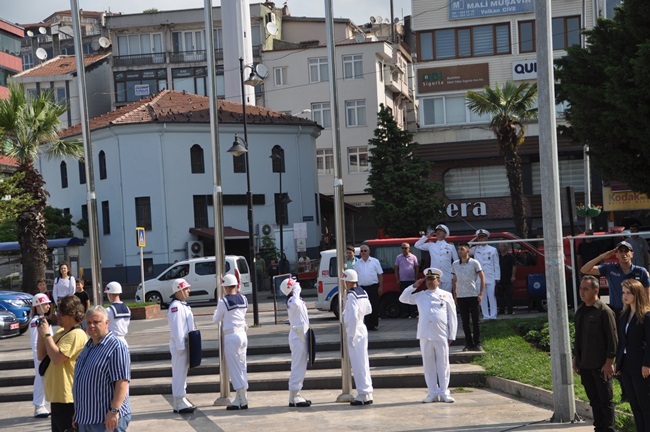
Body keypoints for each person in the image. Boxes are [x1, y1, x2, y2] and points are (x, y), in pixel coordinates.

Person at [400, 268, 458, 403]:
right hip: (425, 334)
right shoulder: (420, 295)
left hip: (441, 333)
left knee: (443, 364)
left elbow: (452, 316)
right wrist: (414, 286)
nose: (430, 282)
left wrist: (452, 334)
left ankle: (444, 392)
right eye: (428, 280)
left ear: (439, 281)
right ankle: (432, 392)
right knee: (428, 364)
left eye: (433, 279)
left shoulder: (446, 295)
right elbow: (402, 298)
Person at [73, 306, 131, 432]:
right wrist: (78, 413)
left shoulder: (116, 347)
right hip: (86, 418)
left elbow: (122, 382)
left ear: (107, 323)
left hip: (106, 420)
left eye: (96, 322)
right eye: (89, 322)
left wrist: (114, 411)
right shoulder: (88, 346)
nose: (91, 326)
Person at [573, 275, 618, 432]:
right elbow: (578, 338)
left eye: (586, 289)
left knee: (605, 400)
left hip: (601, 365)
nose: (582, 292)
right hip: (585, 364)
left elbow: (612, 338)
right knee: (594, 400)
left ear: (596, 290)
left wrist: (609, 361)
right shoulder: (581, 311)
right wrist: (576, 359)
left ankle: (609, 429)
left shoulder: (604, 311)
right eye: (581, 288)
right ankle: (599, 428)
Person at [36, 295, 87, 432]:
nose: (56, 315)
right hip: (57, 395)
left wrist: (47, 335)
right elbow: (41, 355)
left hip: (68, 397)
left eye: (60, 313)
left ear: (71, 314)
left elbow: (57, 358)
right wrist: (41, 332)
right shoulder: (60, 332)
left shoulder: (77, 334)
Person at [581, 241, 650, 317]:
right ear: (616, 254)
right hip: (616, 312)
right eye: (620, 251)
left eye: (626, 251)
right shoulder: (610, 268)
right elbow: (584, 270)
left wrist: (647, 313)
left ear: (632, 254)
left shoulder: (641, 271)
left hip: (635, 311)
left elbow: (647, 295)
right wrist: (602, 257)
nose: (623, 254)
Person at [616, 279, 650, 432]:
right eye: (623, 292)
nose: (625, 296)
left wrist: (647, 364)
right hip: (626, 365)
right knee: (634, 404)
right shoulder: (624, 315)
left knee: (645, 404)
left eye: (628, 293)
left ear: (637, 294)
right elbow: (621, 342)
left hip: (641, 365)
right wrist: (618, 363)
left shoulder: (646, 315)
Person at [213, 274, 249, 410]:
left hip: (231, 335)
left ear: (226, 287)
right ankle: (242, 397)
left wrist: (217, 311)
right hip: (243, 334)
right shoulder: (244, 298)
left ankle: (240, 398)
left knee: (234, 367)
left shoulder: (223, 302)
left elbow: (216, 319)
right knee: (242, 366)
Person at [341, 269, 374, 406]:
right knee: (363, 361)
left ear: (348, 281)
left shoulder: (351, 295)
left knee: (358, 363)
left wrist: (351, 334)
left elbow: (353, 316)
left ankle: (362, 394)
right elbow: (369, 309)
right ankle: (367, 392)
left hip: (354, 329)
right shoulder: (363, 292)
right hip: (362, 327)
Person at [280, 277, 312, 407]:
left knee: (301, 365)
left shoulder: (296, 299)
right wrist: (296, 291)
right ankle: (294, 394)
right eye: (295, 285)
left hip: (302, 334)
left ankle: (295, 395)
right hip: (298, 335)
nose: (298, 285)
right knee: (298, 365)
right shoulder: (292, 300)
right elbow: (296, 304)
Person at [167, 278, 197, 414]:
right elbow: (177, 328)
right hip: (180, 345)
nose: (188, 290)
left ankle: (181, 398)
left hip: (185, 343)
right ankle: (179, 400)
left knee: (182, 373)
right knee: (179, 373)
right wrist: (180, 346)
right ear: (178, 290)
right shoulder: (176, 307)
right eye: (186, 289)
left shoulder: (183, 305)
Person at [452, 243, 485, 352]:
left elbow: (482, 277)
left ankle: (477, 343)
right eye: (458, 249)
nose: (459, 251)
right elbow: (454, 280)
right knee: (465, 321)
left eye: (462, 249)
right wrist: (455, 295)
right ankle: (468, 343)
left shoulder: (474, 262)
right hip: (461, 296)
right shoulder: (455, 264)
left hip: (473, 294)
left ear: (468, 250)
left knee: (476, 320)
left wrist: (481, 293)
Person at [414, 224, 459, 293]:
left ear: (445, 234)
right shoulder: (431, 245)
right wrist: (427, 237)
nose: (438, 232)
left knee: (446, 295)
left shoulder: (450, 246)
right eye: (437, 231)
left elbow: (456, 261)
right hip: (434, 275)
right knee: (435, 295)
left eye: (440, 231)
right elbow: (417, 245)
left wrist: (455, 274)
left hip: (447, 275)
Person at [30, 293, 53, 419]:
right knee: (40, 379)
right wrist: (40, 356)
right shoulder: (36, 321)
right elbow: (35, 341)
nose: (48, 306)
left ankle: (42, 404)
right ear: (38, 305)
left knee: (44, 379)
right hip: (42, 355)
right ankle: (39, 405)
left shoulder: (43, 319)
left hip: (46, 354)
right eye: (45, 304)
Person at [471, 229, 500, 320]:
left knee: (491, 296)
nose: (481, 239)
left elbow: (496, 264)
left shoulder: (493, 249)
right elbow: (466, 247)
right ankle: (486, 315)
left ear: (487, 238)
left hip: (490, 275)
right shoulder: (475, 249)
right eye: (480, 238)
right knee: (482, 296)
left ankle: (493, 315)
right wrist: (474, 239)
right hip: (479, 277)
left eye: (483, 237)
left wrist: (497, 277)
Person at [354, 245, 383, 331]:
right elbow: (355, 276)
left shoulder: (375, 261)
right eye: (361, 251)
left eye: (365, 251)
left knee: (374, 305)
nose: (363, 252)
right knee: (364, 306)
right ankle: (367, 324)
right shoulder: (357, 263)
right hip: (362, 288)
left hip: (373, 287)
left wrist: (380, 287)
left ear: (369, 252)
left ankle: (374, 324)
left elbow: (380, 274)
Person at [395, 242, 419, 318]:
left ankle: (413, 313)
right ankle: (405, 313)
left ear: (409, 248)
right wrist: (397, 279)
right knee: (403, 296)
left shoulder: (413, 257)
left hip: (412, 280)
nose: (404, 249)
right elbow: (396, 268)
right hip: (402, 281)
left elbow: (416, 268)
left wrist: (416, 278)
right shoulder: (398, 257)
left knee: (412, 296)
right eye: (402, 248)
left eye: (405, 248)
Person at [497, 243, 517, 315]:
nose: (501, 248)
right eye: (500, 246)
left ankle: (510, 310)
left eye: (502, 246)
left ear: (506, 247)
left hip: (508, 278)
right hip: (499, 279)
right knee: (500, 295)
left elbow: (514, 266)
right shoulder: (497, 257)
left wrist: (513, 276)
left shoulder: (510, 256)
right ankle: (501, 310)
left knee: (509, 295)